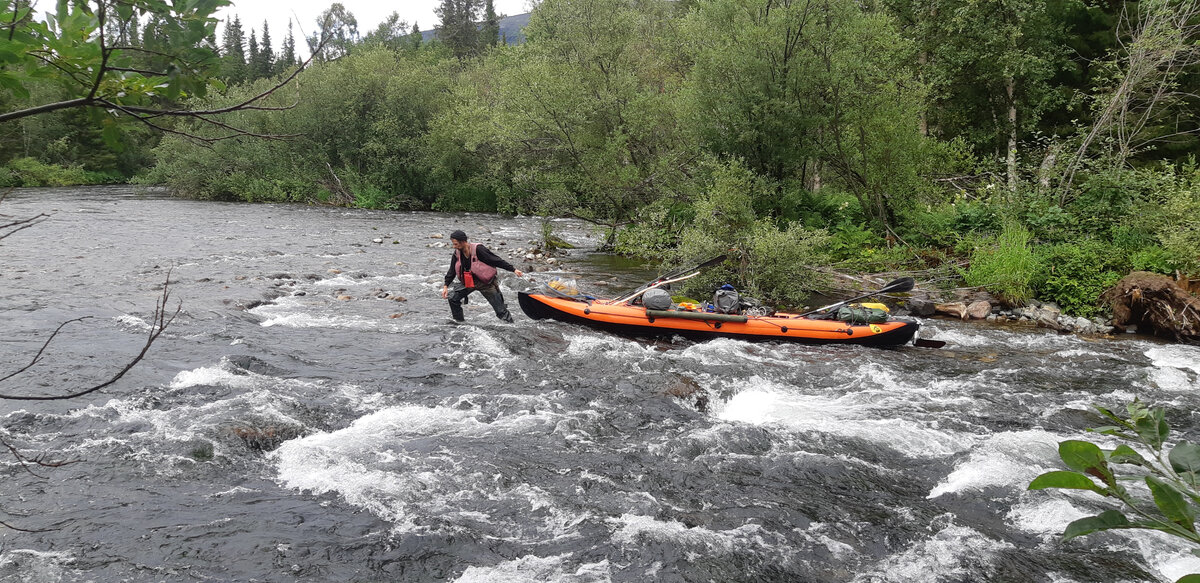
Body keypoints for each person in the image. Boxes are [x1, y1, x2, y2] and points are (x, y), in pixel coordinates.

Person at [441, 230, 524, 323]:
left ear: (463, 241)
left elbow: (496, 260)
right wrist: (445, 286)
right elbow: (452, 270)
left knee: (501, 311)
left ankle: (510, 327)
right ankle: (459, 322)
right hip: (469, 282)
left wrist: (513, 269)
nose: (454, 246)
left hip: (487, 284)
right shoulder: (457, 253)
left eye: (456, 244)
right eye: (453, 244)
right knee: (452, 298)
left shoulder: (479, 249)